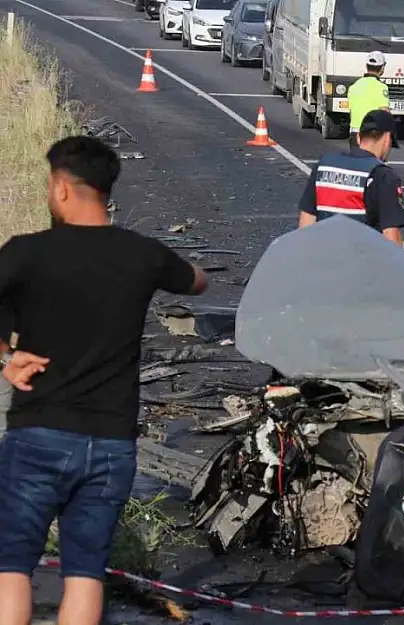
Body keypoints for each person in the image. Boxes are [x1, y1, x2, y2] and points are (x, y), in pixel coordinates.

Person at [0, 136, 208, 625]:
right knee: (86, 572)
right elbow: (196, 280)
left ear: (62, 189)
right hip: (112, 445)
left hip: (39, 433)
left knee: (11, 565)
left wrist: (7, 357)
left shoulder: (27, 254)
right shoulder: (141, 255)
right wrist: (162, 266)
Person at [298, 110, 404, 246]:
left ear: (358, 138)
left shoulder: (324, 166)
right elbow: (391, 239)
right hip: (360, 261)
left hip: (323, 258)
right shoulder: (383, 175)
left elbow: (306, 223)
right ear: (387, 139)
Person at [346, 51, 392, 150]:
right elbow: (384, 111)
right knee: (372, 164)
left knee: (356, 164)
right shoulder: (381, 87)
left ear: (367, 66)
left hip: (354, 134)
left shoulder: (354, 86)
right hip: (371, 135)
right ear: (382, 68)